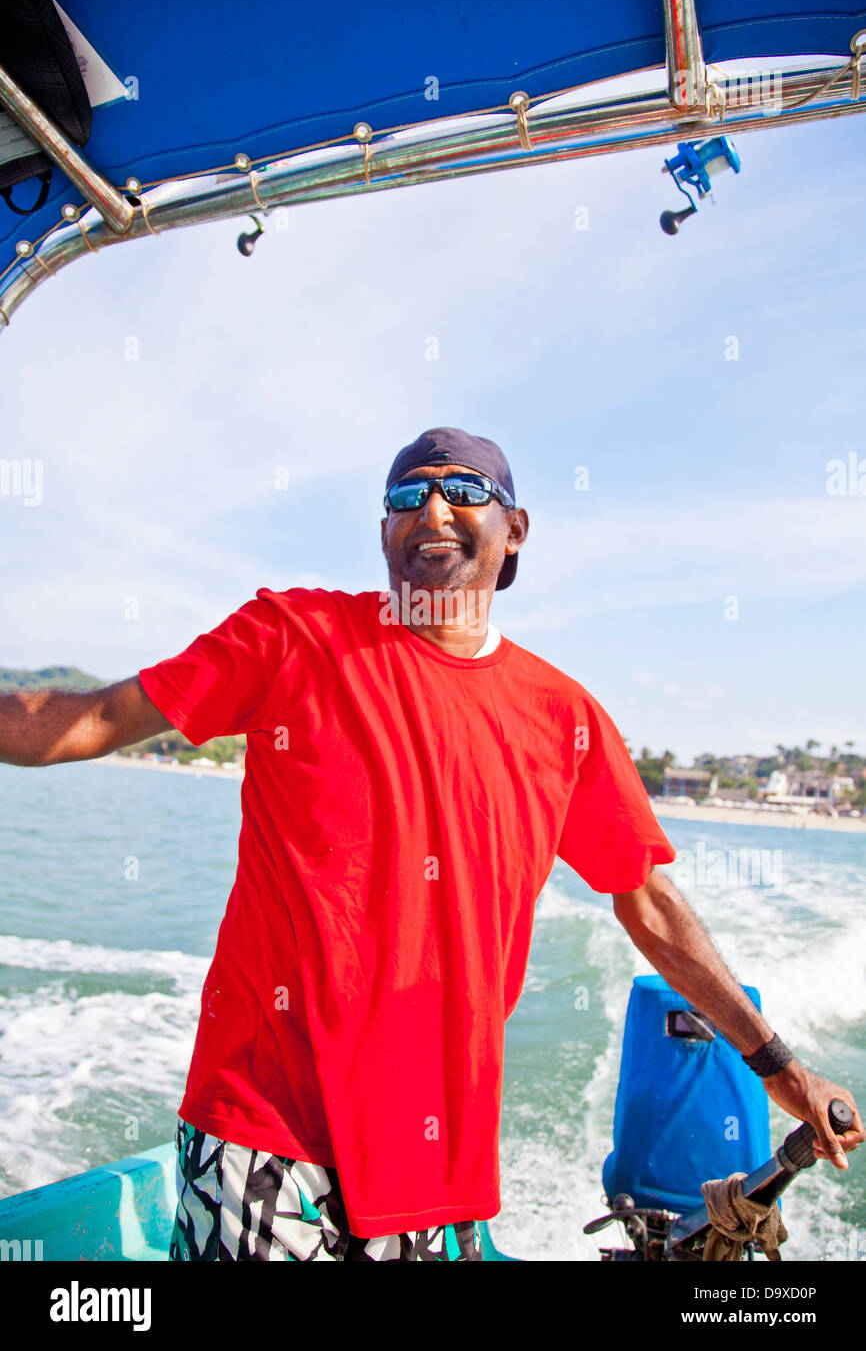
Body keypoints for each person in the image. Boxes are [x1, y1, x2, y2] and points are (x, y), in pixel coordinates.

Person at [2, 427, 862, 1262]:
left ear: (514, 529)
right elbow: (89, 719)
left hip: (433, 1154)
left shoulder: (565, 719)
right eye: (407, 496)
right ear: (384, 530)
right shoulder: (293, 638)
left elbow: (648, 904)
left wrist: (779, 1067)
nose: (433, 509)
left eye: (463, 490)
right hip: (262, 1129)